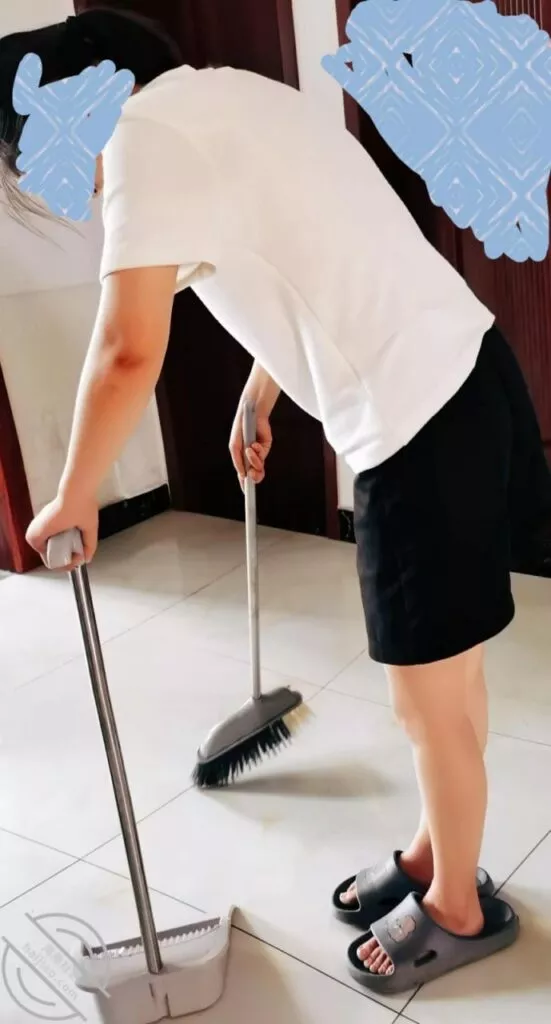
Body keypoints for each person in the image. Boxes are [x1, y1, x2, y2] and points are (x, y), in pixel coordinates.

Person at [2, 8, 547, 993]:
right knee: (446, 678)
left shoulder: (143, 138)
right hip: (467, 379)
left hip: (413, 422)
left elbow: (126, 350)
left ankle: (456, 910)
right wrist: (263, 391)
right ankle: (436, 854)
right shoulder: (238, 99)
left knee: (422, 699)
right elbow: (300, 258)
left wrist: (74, 493)